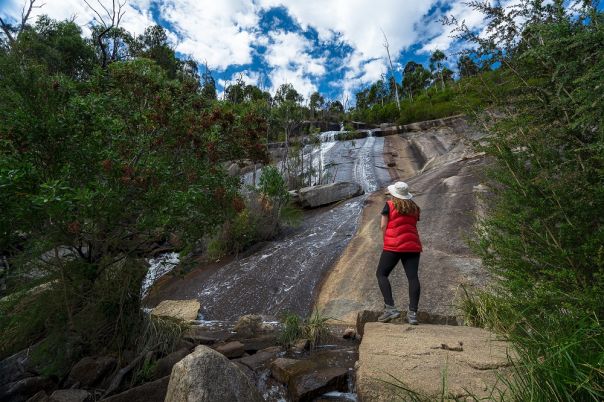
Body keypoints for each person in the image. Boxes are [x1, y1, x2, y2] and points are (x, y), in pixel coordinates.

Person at [376, 181, 422, 324]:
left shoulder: (389, 205)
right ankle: (413, 314)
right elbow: (411, 224)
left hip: (394, 246)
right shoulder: (415, 207)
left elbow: (383, 225)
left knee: (381, 274)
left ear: (394, 193)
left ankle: (391, 309)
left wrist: (386, 241)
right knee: (413, 277)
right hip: (413, 246)